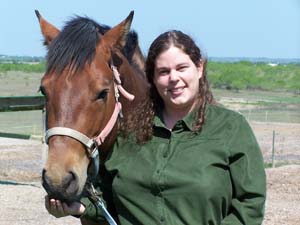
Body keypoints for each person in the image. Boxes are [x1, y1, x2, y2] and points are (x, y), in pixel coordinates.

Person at [45, 30, 266, 225]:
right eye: (163, 72)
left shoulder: (231, 129)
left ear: (199, 68)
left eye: (182, 68)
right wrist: (82, 208)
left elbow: (250, 203)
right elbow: (110, 200)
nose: (174, 78)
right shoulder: (129, 134)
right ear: (153, 78)